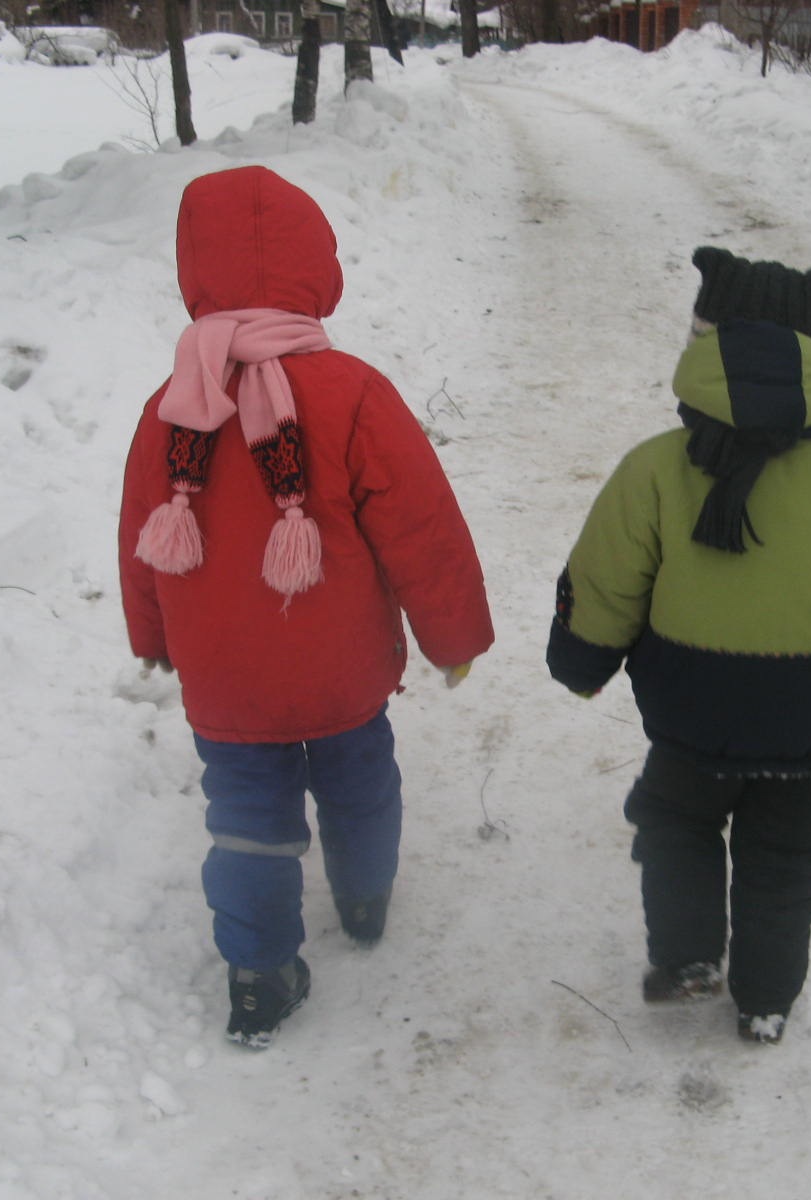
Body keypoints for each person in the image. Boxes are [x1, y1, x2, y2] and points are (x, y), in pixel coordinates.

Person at [119, 165, 494, 1049]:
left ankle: (259, 974)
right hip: (342, 670)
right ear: (315, 269)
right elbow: (421, 528)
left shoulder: (172, 407)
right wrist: (452, 636)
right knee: (361, 786)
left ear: (194, 271)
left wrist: (152, 634)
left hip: (227, 681)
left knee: (247, 820)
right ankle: (364, 897)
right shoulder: (353, 392)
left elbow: (141, 529)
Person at [546, 246, 811, 1045]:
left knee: (676, 824)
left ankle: (689, 956)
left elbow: (607, 579)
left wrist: (583, 661)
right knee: (787, 858)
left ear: (703, 345)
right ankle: (766, 999)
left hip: (694, 711)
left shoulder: (655, 468)